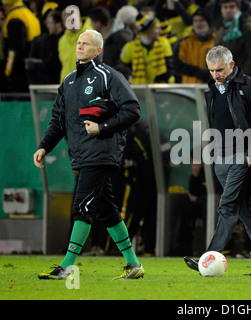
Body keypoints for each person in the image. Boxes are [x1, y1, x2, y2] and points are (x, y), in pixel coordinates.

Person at [34, 30, 144, 280]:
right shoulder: (69, 80)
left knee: (82, 205)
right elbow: (57, 121)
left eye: (86, 43)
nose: (80, 46)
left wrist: (102, 128)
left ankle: (67, 265)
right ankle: (134, 264)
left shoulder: (109, 76)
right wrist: (44, 146)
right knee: (107, 211)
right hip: (82, 154)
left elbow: (133, 109)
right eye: (79, 43)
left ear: (98, 50)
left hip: (102, 151)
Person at [183, 45, 251, 276]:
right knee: (249, 215)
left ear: (232, 65)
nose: (216, 75)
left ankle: (208, 257)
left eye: (220, 70)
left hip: (242, 157)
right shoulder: (212, 90)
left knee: (227, 206)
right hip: (221, 159)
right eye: (212, 71)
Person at [214, 0, 251, 78]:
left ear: (238, 9)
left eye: (232, 7)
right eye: (225, 7)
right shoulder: (221, 29)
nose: (228, 10)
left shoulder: (247, 28)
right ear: (221, 10)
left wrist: (240, 76)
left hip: (243, 80)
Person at [120, 15, 174, 84]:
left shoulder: (164, 42)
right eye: (157, 28)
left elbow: (170, 66)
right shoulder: (130, 47)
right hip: (140, 88)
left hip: (163, 87)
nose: (160, 30)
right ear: (149, 31)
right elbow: (123, 68)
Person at [2, 0, 41, 92]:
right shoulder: (30, 15)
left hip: (18, 76)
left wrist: (7, 73)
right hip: (32, 73)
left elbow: (14, 51)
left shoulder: (15, 17)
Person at [174, 8, 215, 83]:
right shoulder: (184, 43)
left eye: (201, 20)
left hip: (211, 88)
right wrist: (198, 72)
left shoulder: (217, 42)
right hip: (189, 89)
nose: (198, 24)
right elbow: (178, 65)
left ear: (209, 23)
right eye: (195, 21)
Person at [25, 9, 63, 85]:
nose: (48, 26)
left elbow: (51, 65)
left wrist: (37, 64)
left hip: (56, 81)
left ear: (58, 24)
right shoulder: (48, 40)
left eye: (50, 23)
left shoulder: (61, 41)